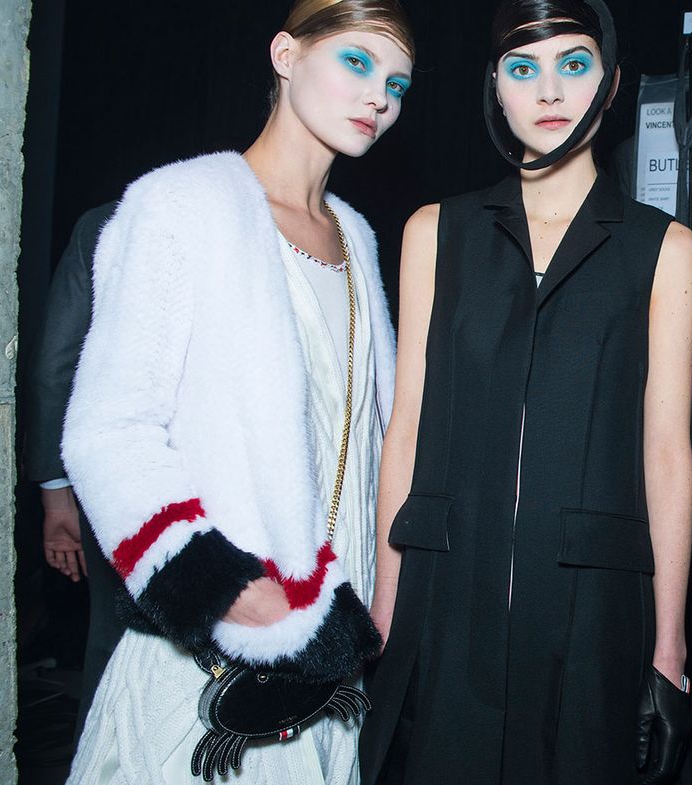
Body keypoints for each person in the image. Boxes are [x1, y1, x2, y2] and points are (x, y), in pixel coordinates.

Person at [60, 1, 414, 781]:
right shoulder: (182, 206)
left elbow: (359, 438)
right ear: (286, 54)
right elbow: (108, 430)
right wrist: (229, 594)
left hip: (330, 659)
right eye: (357, 62)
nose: (379, 97)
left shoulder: (355, 234)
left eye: (398, 83)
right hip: (214, 656)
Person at [358, 1, 692, 783]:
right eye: (524, 69)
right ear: (496, 90)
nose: (549, 92)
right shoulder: (433, 231)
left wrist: (670, 647)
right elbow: (404, 425)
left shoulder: (664, 247)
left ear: (610, 84)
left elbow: (667, 453)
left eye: (573, 65)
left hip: (594, 611)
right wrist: (386, 605)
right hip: (444, 598)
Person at [24, 201, 127, 740]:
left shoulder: (109, 222)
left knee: (114, 649)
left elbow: (52, 368)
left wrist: (55, 493)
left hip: (121, 482)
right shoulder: (283, 223)